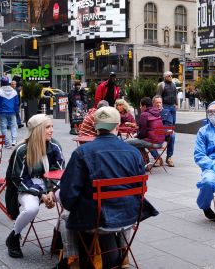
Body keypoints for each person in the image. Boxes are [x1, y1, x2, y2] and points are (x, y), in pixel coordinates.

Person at [60, 107, 155, 268]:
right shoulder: (134, 153)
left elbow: (68, 196)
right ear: (117, 126)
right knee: (126, 201)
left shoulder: (82, 153)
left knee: (65, 217)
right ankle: (124, 256)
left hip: (96, 220)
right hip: (130, 217)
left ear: (95, 126)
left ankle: (73, 260)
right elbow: (141, 187)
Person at [5, 114, 64, 258]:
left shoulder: (54, 146)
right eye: (47, 127)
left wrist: (51, 191)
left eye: (52, 126)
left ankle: (59, 237)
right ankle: (13, 237)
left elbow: (59, 171)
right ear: (37, 130)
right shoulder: (22, 150)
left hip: (50, 184)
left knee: (69, 199)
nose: (51, 130)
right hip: (26, 186)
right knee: (32, 208)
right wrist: (41, 194)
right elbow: (18, 178)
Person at [126, 97, 164, 169]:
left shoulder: (144, 114)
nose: (140, 108)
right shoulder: (157, 113)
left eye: (141, 106)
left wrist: (136, 137)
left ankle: (142, 162)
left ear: (144, 106)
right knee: (138, 143)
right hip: (160, 142)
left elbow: (142, 133)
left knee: (126, 142)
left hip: (151, 142)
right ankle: (146, 162)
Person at [149, 95, 176, 167]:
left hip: (164, 134)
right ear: (153, 103)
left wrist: (158, 128)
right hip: (153, 135)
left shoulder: (167, 112)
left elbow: (169, 125)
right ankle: (157, 158)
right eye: (157, 102)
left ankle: (169, 157)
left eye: (160, 102)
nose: (158, 104)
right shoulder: (149, 113)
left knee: (172, 135)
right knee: (146, 137)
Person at [0, 76, 19, 148]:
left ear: (1, 83)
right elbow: (16, 103)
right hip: (12, 112)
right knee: (13, 126)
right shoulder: (14, 91)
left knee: (3, 128)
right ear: (8, 82)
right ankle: (14, 141)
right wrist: (16, 112)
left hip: (2, 112)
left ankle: (7, 143)